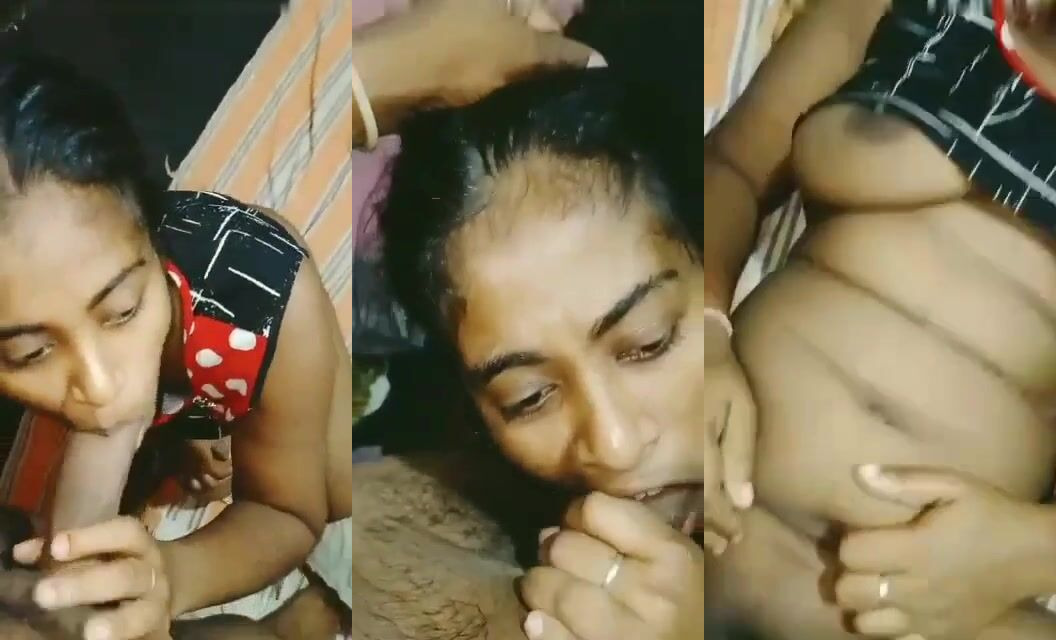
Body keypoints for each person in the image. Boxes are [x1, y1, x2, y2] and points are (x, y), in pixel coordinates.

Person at [380, 1, 1056, 638]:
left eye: (648, 343)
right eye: (526, 397)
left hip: (945, 604)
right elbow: (733, 161)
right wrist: (708, 326)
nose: (614, 444)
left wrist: (1028, 551)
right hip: (711, 557)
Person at [0, 1, 597, 638]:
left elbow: (289, 513)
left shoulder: (265, 315)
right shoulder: (101, 347)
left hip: (254, 327)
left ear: (150, 235)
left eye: (122, 310)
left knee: (335, 489)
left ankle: (316, 609)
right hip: (195, 387)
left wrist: (171, 574)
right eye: (28, 353)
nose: (96, 383)